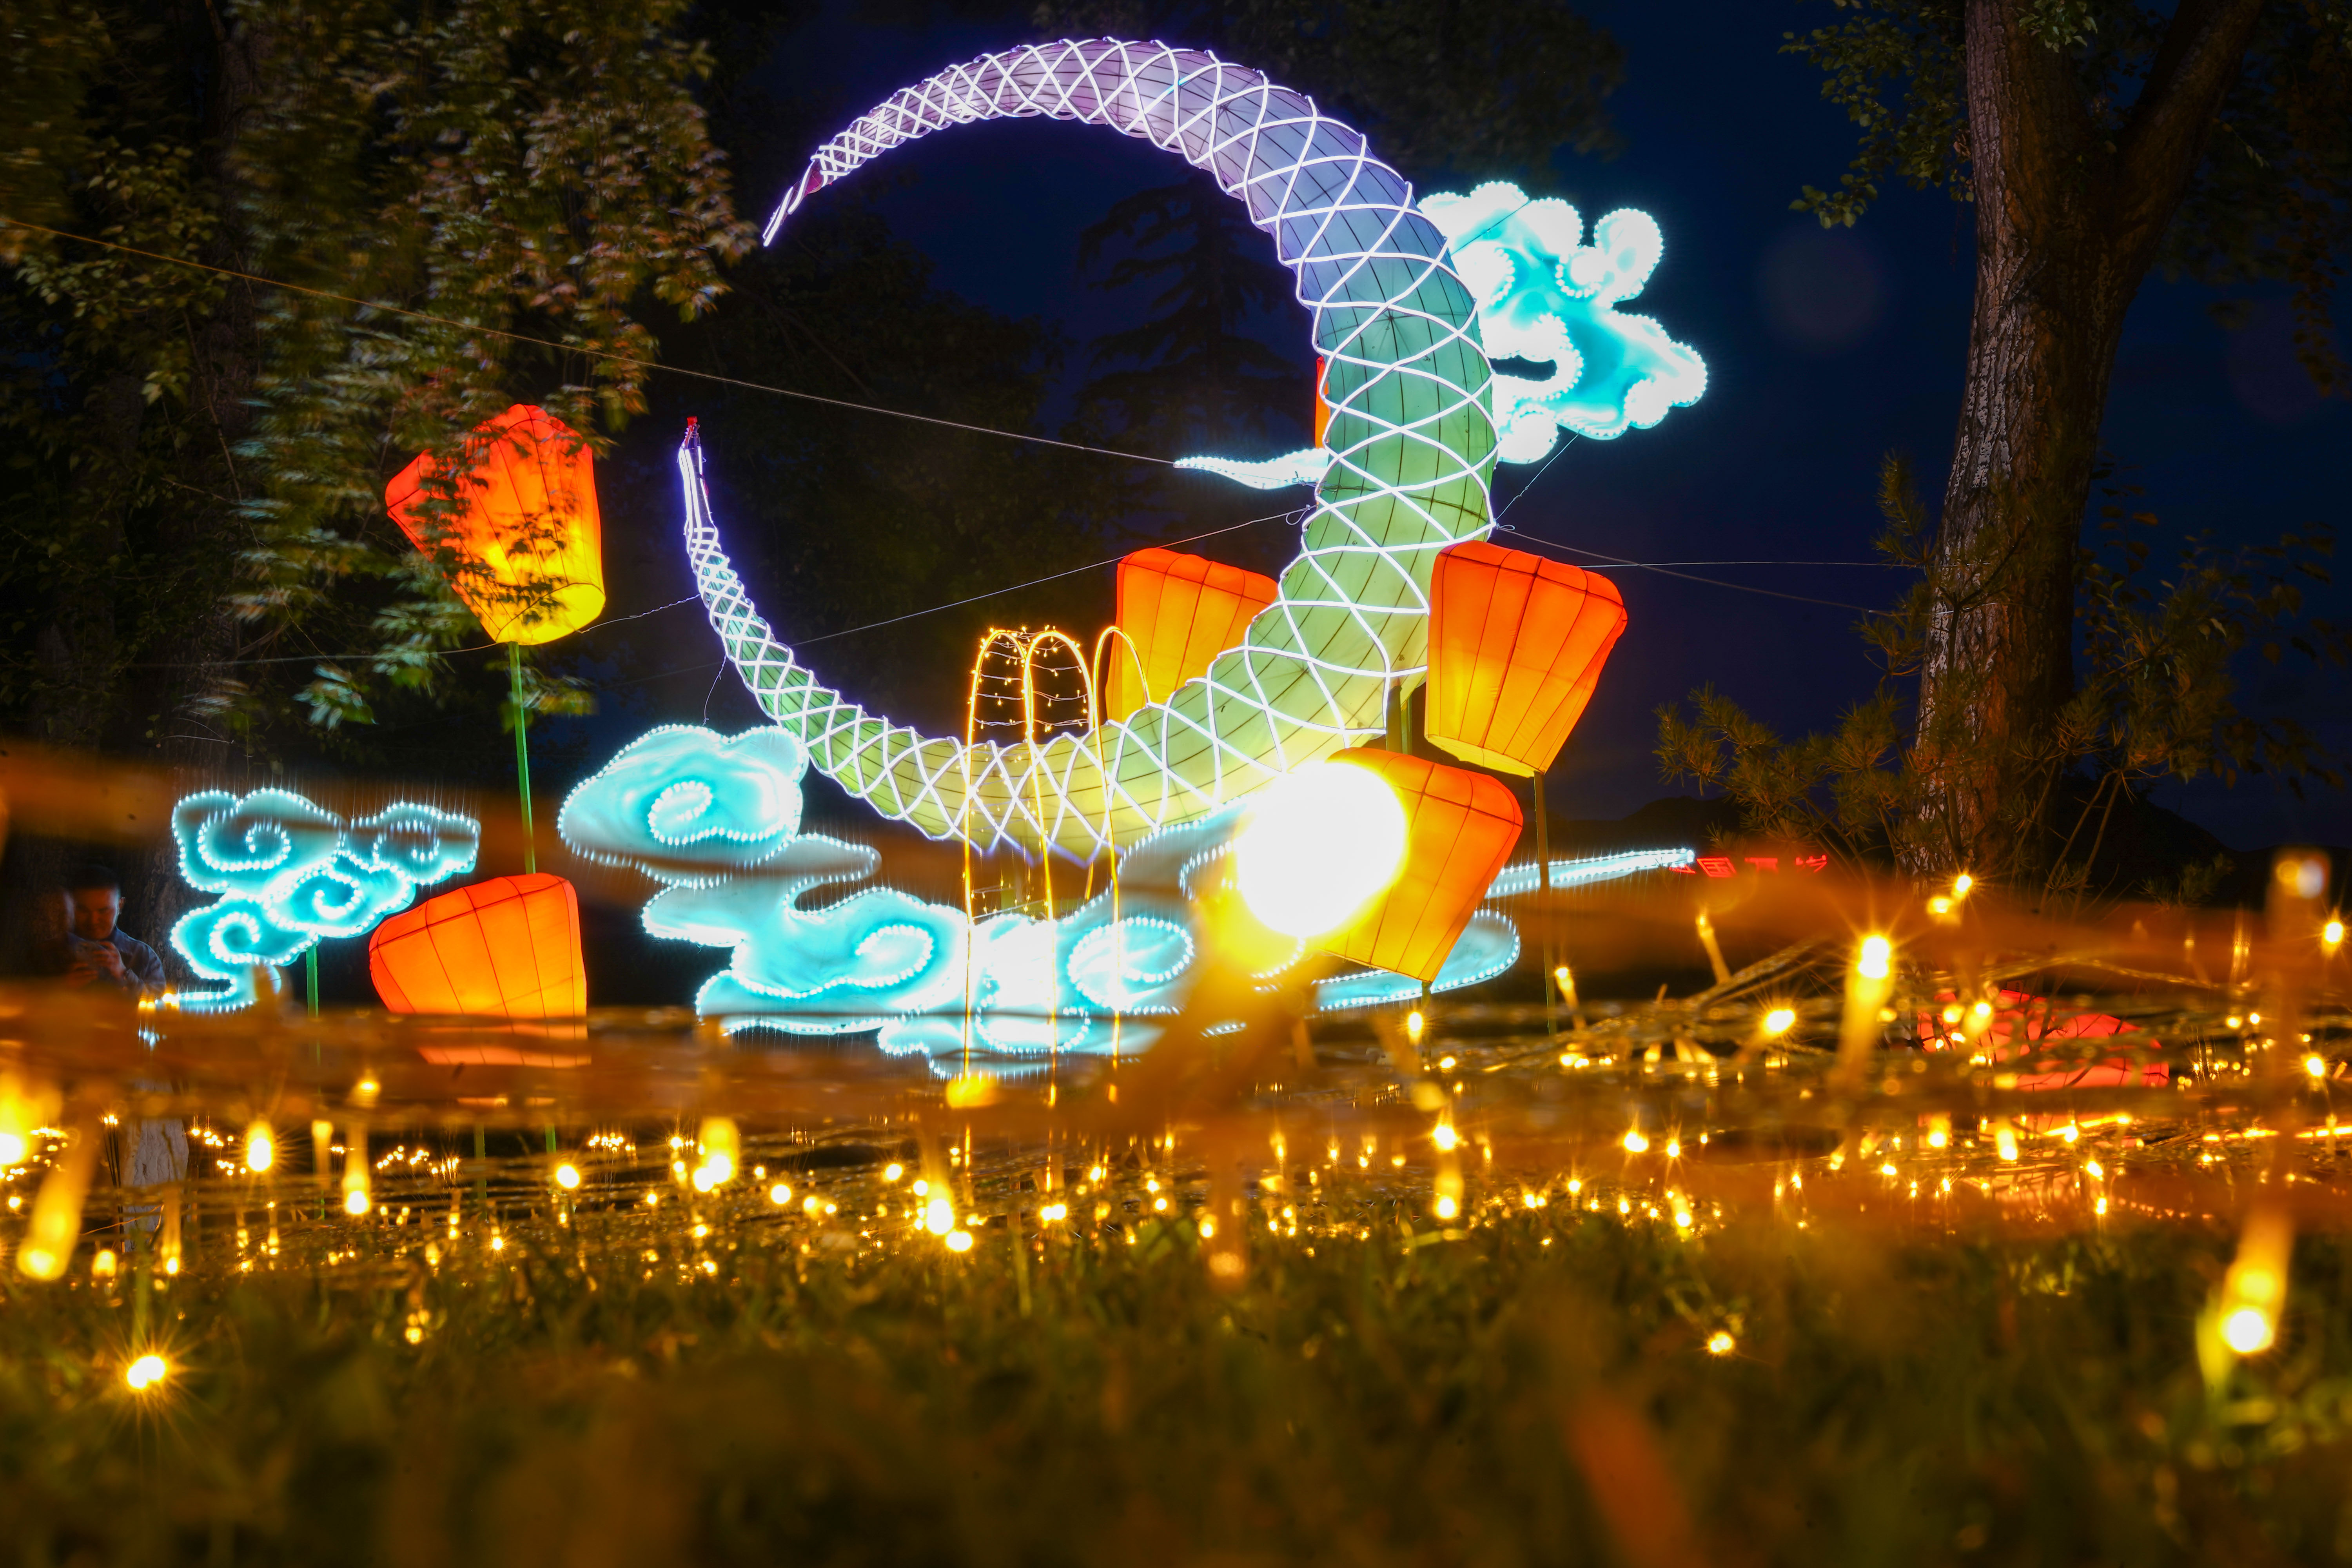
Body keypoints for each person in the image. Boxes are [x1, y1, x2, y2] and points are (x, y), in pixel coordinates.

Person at [58, 864, 167, 998]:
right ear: (71, 907)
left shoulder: (143, 956)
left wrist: (124, 974)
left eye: (104, 911)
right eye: (83, 910)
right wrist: (59, 988)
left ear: (120, 905)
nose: (93, 920)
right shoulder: (50, 953)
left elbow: (159, 1006)